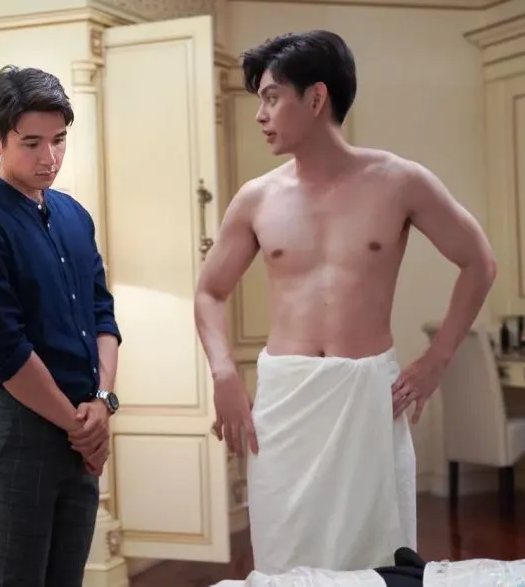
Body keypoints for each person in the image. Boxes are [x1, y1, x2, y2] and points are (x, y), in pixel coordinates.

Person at [193, 31, 497, 574]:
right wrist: (222, 373)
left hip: (368, 394)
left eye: (271, 98)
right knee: (284, 560)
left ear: (316, 98)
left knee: (379, 558)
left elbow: (479, 261)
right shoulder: (257, 198)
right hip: (287, 398)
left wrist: (438, 359)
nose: (260, 115)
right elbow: (210, 291)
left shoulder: (400, 181)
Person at [0, 65, 122, 587]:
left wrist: (101, 402)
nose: (50, 158)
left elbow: (101, 312)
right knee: (15, 579)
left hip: (82, 421)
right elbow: (5, 351)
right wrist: (80, 427)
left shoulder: (73, 215)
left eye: (59, 141)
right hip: (19, 428)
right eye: (32, 143)